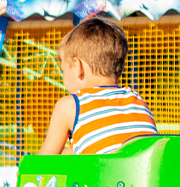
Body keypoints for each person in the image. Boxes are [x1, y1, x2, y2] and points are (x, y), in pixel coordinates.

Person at [38, 16, 157, 155]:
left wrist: (25, 169)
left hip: (105, 176)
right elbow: (109, 145)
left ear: (78, 66)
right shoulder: (138, 101)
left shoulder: (70, 105)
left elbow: (43, 163)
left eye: (63, 70)